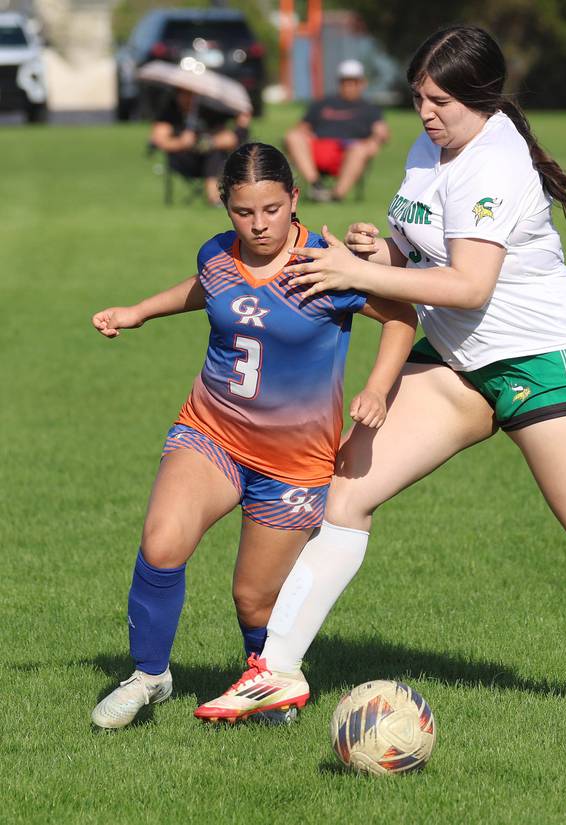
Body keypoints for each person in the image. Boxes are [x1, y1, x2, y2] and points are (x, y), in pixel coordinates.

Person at [195, 26, 566, 721]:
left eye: (440, 99)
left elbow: (470, 285)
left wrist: (358, 272)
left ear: (482, 96)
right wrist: (379, 249)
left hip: (543, 356)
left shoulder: (494, 161)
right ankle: (279, 669)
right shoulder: (430, 148)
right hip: (459, 358)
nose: (427, 113)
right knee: (344, 492)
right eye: (418, 98)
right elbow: (415, 253)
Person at [89, 142, 417, 729]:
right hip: (210, 431)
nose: (259, 224)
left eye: (272, 209)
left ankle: (266, 682)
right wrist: (140, 310)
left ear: (294, 199)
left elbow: (400, 316)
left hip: (294, 463)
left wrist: (378, 388)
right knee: (163, 542)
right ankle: (148, 675)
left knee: (254, 598)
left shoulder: (325, 264)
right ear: (226, 207)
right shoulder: (217, 255)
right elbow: (206, 289)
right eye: (244, 212)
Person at [284, 59, 389, 203]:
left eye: (354, 82)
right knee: (293, 137)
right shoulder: (323, 103)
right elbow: (302, 127)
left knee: (360, 149)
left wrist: (374, 142)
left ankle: (337, 195)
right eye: (346, 81)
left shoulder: (369, 108)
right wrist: (304, 134)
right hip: (318, 147)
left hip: (348, 151)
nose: (350, 86)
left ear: (362, 83)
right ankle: (316, 185)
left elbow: (381, 132)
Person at [150, 88, 251, 206]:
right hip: (183, 160)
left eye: (190, 94)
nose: (187, 98)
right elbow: (159, 140)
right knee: (213, 153)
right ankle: (214, 197)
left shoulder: (210, 109)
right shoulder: (170, 111)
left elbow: (233, 136)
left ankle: (214, 196)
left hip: (213, 158)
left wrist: (211, 142)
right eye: (183, 94)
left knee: (214, 152)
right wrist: (180, 142)